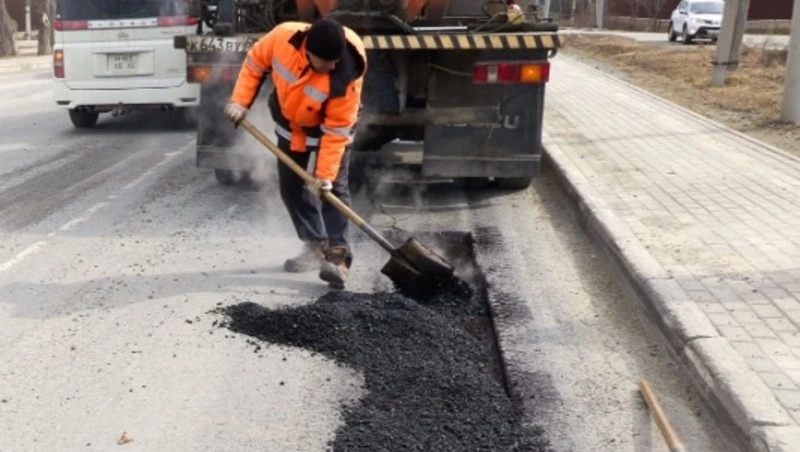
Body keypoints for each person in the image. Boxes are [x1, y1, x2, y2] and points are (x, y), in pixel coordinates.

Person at [223, 19, 367, 289]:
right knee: (290, 186)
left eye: (335, 60)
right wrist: (240, 102)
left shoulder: (348, 71)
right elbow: (254, 63)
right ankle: (315, 245)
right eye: (326, 61)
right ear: (308, 52)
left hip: (331, 130)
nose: (333, 66)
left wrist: (324, 175)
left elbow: (336, 132)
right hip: (291, 124)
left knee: (333, 189)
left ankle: (338, 257)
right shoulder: (282, 38)